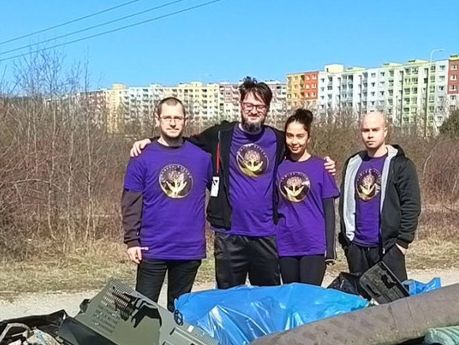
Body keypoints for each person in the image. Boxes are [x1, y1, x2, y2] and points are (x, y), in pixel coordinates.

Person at [130, 78, 336, 289]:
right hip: (229, 235)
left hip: (266, 233)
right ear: (240, 105)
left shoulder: (278, 138)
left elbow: (299, 151)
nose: (254, 111)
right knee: (228, 298)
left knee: (266, 298)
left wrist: (324, 164)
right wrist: (151, 140)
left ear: (267, 109)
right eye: (249, 105)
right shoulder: (220, 135)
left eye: (260, 106)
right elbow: (181, 140)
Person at [121, 97, 213, 309]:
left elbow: (219, 193)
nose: (172, 123)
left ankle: (170, 344)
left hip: (188, 249)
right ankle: (141, 343)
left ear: (185, 120)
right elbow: (131, 201)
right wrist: (132, 241)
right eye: (167, 118)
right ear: (157, 120)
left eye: (177, 118)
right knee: (142, 309)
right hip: (152, 246)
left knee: (179, 312)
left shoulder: (201, 158)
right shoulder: (142, 157)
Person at [339, 111, 421, 281]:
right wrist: (348, 245)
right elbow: (345, 203)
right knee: (362, 305)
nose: (369, 135)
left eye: (375, 130)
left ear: (385, 131)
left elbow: (411, 205)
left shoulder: (401, 165)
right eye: (365, 130)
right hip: (358, 249)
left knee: (393, 304)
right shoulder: (353, 164)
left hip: (388, 249)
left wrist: (401, 244)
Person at [274, 109, 338, 285]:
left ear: (308, 138)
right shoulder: (278, 168)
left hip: (313, 244)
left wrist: (330, 249)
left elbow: (329, 209)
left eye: (300, 136)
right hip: (286, 244)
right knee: (291, 298)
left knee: (309, 300)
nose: (294, 141)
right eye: (290, 136)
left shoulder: (322, 167)